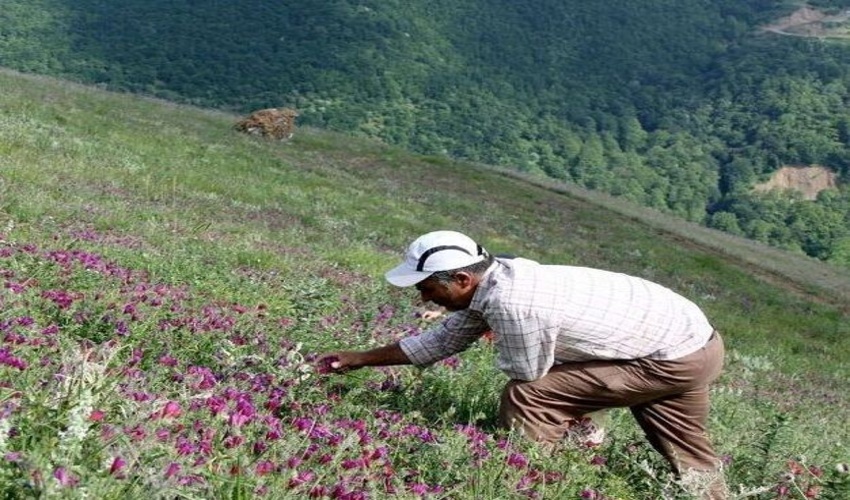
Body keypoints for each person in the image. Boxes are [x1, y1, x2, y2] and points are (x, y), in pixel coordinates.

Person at [318, 230, 727, 499]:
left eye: (427, 288)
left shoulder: (514, 304)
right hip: (695, 343)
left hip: (669, 359)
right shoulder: (498, 280)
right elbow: (442, 340)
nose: (424, 299)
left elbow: (530, 376)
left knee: (529, 396)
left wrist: (577, 414)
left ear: (461, 278)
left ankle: (529, 481)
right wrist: (359, 359)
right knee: (689, 451)